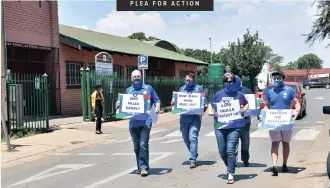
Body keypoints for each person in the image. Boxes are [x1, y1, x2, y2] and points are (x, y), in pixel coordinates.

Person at [117, 70, 160, 177]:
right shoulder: (128, 90)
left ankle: (144, 168)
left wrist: (157, 108)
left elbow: (156, 100)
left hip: (146, 122)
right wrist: (118, 105)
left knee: (143, 144)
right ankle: (140, 167)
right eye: (134, 76)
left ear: (142, 77)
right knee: (137, 147)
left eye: (138, 76)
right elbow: (123, 105)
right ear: (131, 78)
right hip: (133, 124)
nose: (136, 78)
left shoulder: (148, 88)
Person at [207, 73, 249, 184]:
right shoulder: (218, 94)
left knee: (230, 150)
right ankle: (230, 165)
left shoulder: (239, 95)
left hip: (235, 126)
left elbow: (246, 104)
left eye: (231, 81)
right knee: (222, 150)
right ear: (224, 83)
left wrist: (244, 109)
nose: (229, 84)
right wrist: (211, 112)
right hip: (220, 126)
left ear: (235, 83)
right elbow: (211, 105)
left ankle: (230, 173)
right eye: (226, 81)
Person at [262, 71, 301, 176]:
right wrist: (263, 114)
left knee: (285, 143)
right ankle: (274, 165)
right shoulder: (270, 92)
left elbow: (297, 102)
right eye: (275, 78)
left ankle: (284, 164)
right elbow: (267, 105)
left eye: (279, 78)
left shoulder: (289, 90)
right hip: (273, 122)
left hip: (286, 121)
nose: (276, 80)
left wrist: (296, 112)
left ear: (283, 79)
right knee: (275, 143)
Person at [171, 73, 207, 169]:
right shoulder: (182, 89)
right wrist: (173, 103)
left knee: (193, 137)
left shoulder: (199, 89)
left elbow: (205, 103)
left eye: (189, 80)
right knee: (185, 138)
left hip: (195, 118)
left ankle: (192, 160)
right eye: (186, 80)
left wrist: (203, 110)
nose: (188, 82)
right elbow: (175, 101)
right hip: (184, 118)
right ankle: (194, 152)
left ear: (193, 80)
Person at [234, 75, 254, 168]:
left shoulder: (247, 91)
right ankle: (234, 162)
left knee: (245, 142)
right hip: (233, 122)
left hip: (245, 121)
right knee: (233, 142)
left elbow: (253, 105)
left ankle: (245, 159)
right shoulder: (228, 92)